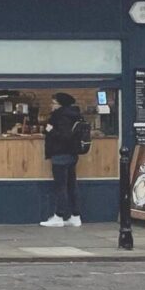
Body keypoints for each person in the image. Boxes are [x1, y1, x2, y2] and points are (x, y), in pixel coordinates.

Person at [41, 92, 88, 228]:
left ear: (60, 104)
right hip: (72, 154)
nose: (51, 105)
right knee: (71, 185)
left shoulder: (61, 116)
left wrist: (50, 129)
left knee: (60, 186)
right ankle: (75, 216)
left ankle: (59, 216)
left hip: (60, 154)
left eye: (54, 103)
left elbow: (64, 136)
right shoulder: (74, 114)